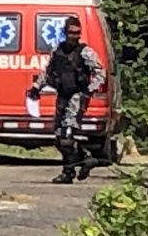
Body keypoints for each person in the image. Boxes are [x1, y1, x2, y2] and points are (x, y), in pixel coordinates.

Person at [28, 16, 105, 184]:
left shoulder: (85, 52)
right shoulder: (58, 50)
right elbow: (48, 72)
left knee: (66, 135)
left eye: (77, 33)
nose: (74, 36)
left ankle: (68, 172)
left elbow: (101, 73)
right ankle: (85, 158)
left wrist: (89, 90)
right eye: (71, 32)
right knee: (59, 137)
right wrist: (36, 87)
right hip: (62, 95)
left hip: (77, 97)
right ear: (65, 32)